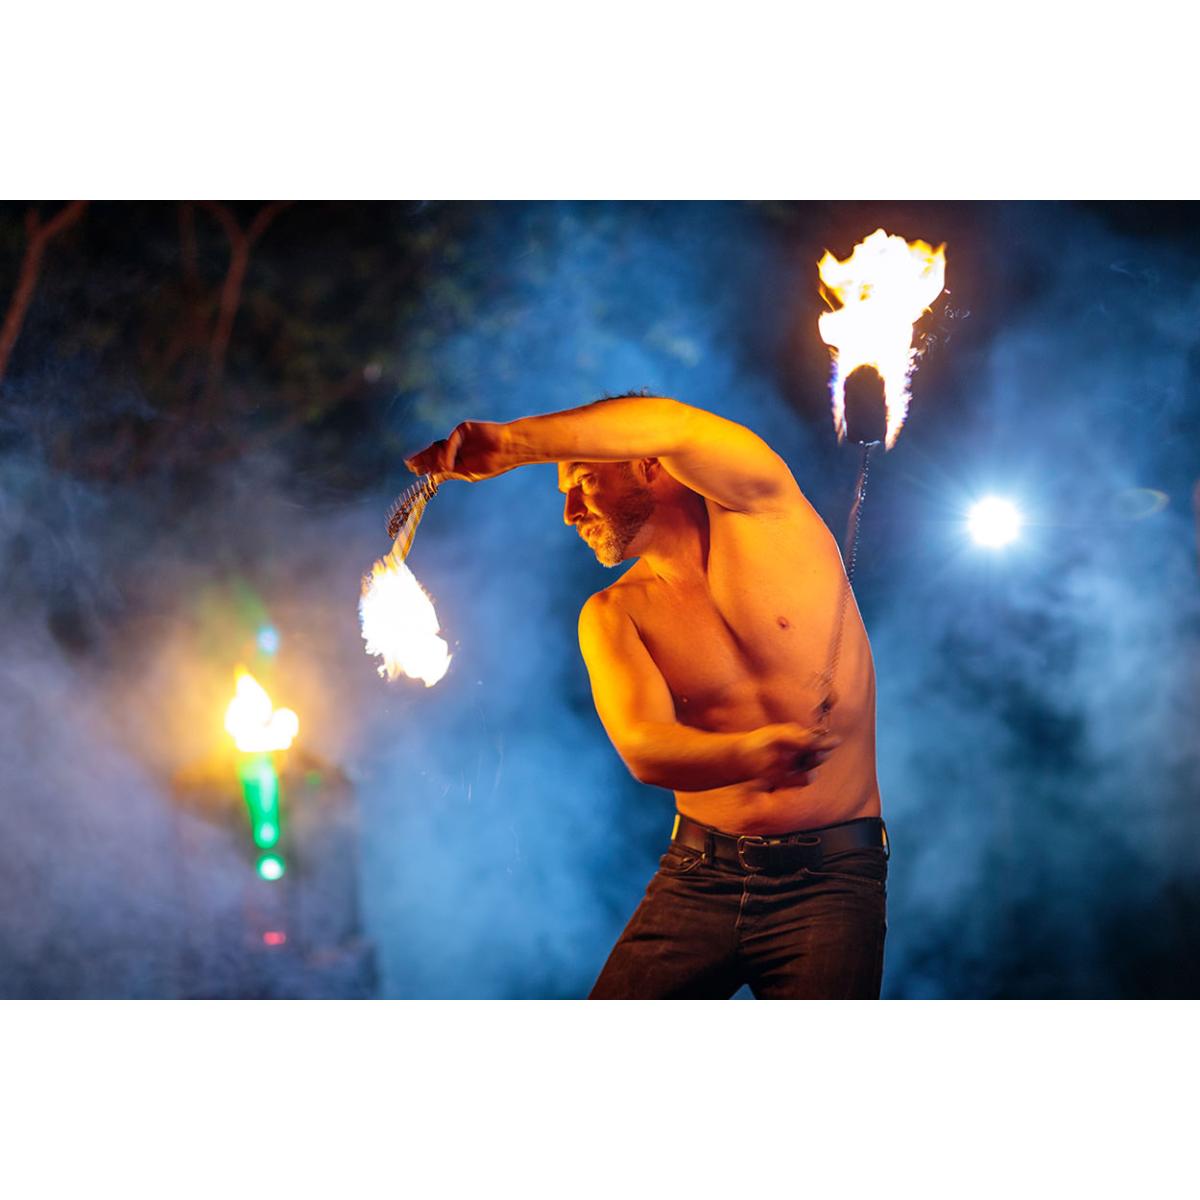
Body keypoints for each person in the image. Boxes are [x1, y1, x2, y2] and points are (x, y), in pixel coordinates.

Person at [406, 392, 888, 999]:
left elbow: (674, 425)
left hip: (832, 881)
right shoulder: (612, 615)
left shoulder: (763, 505)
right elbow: (644, 748)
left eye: (582, 480)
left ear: (646, 464)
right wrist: (753, 753)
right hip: (699, 877)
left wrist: (510, 444)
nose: (570, 512)